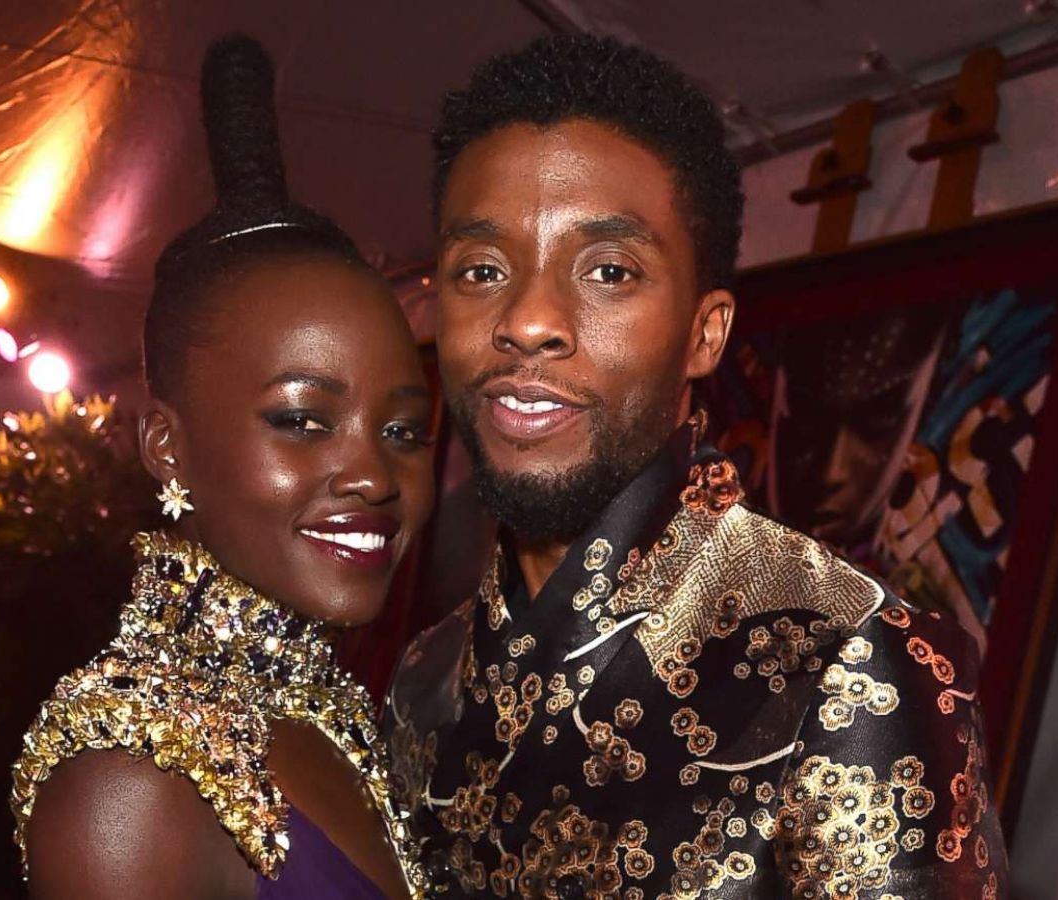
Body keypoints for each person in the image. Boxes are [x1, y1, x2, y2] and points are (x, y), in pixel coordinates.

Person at [385, 35, 1009, 898]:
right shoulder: (424, 678)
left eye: (608, 270)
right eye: (481, 268)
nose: (528, 318)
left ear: (705, 334)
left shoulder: (845, 658)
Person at [10, 35, 435, 900]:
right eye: (302, 419)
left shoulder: (337, 710)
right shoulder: (130, 782)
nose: (376, 477)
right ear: (166, 446)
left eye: (403, 431)